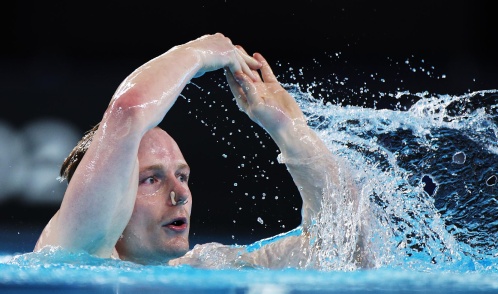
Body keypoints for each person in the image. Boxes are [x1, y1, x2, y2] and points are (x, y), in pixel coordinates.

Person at [34, 33, 360, 269]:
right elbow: (128, 111)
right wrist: (198, 52)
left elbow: (348, 247)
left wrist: (289, 130)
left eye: (182, 176)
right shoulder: (75, 248)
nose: (180, 195)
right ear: (107, 195)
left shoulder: (205, 267)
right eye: (152, 179)